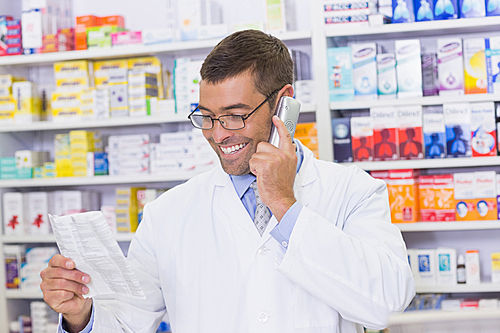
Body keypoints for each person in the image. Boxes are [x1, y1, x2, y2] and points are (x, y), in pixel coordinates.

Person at [41, 29, 415, 333]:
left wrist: (285, 204)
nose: (219, 135)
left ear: (284, 103)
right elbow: (126, 323)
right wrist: (80, 317)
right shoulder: (168, 213)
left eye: (235, 115)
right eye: (207, 116)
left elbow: (386, 304)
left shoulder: (352, 190)